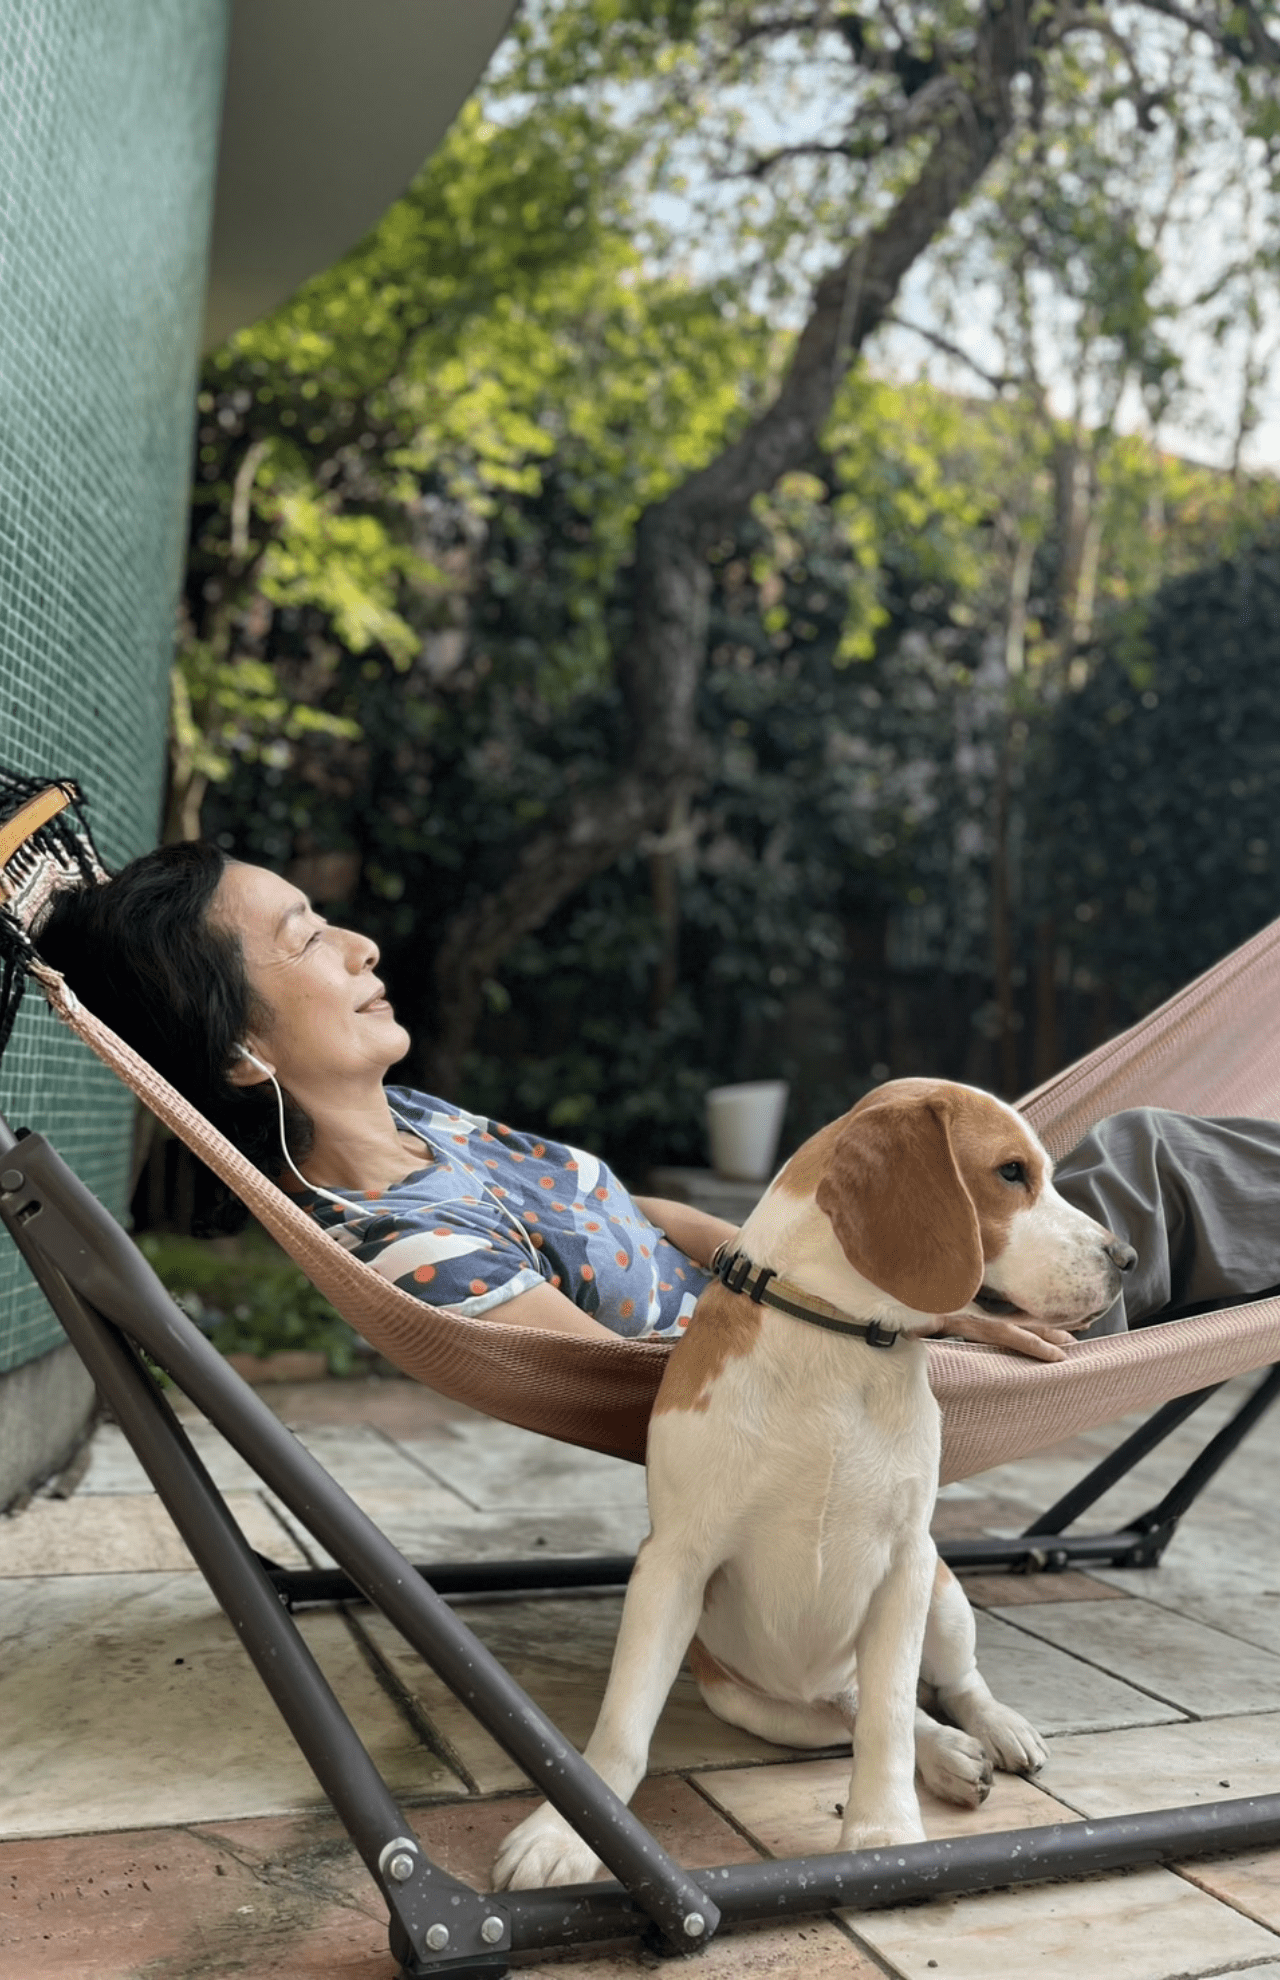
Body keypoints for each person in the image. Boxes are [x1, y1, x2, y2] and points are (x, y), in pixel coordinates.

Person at [37, 842, 1280, 1358]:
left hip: (850, 1295)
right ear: (242, 1054)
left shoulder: (425, 1130)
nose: (358, 942)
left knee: (1091, 1152)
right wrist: (919, 1319)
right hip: (857, 1356)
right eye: (307, 936)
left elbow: (642, 1213)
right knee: (1150, 1156)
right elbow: (633, 1379)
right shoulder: (415, 1242)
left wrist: (783, 1247)